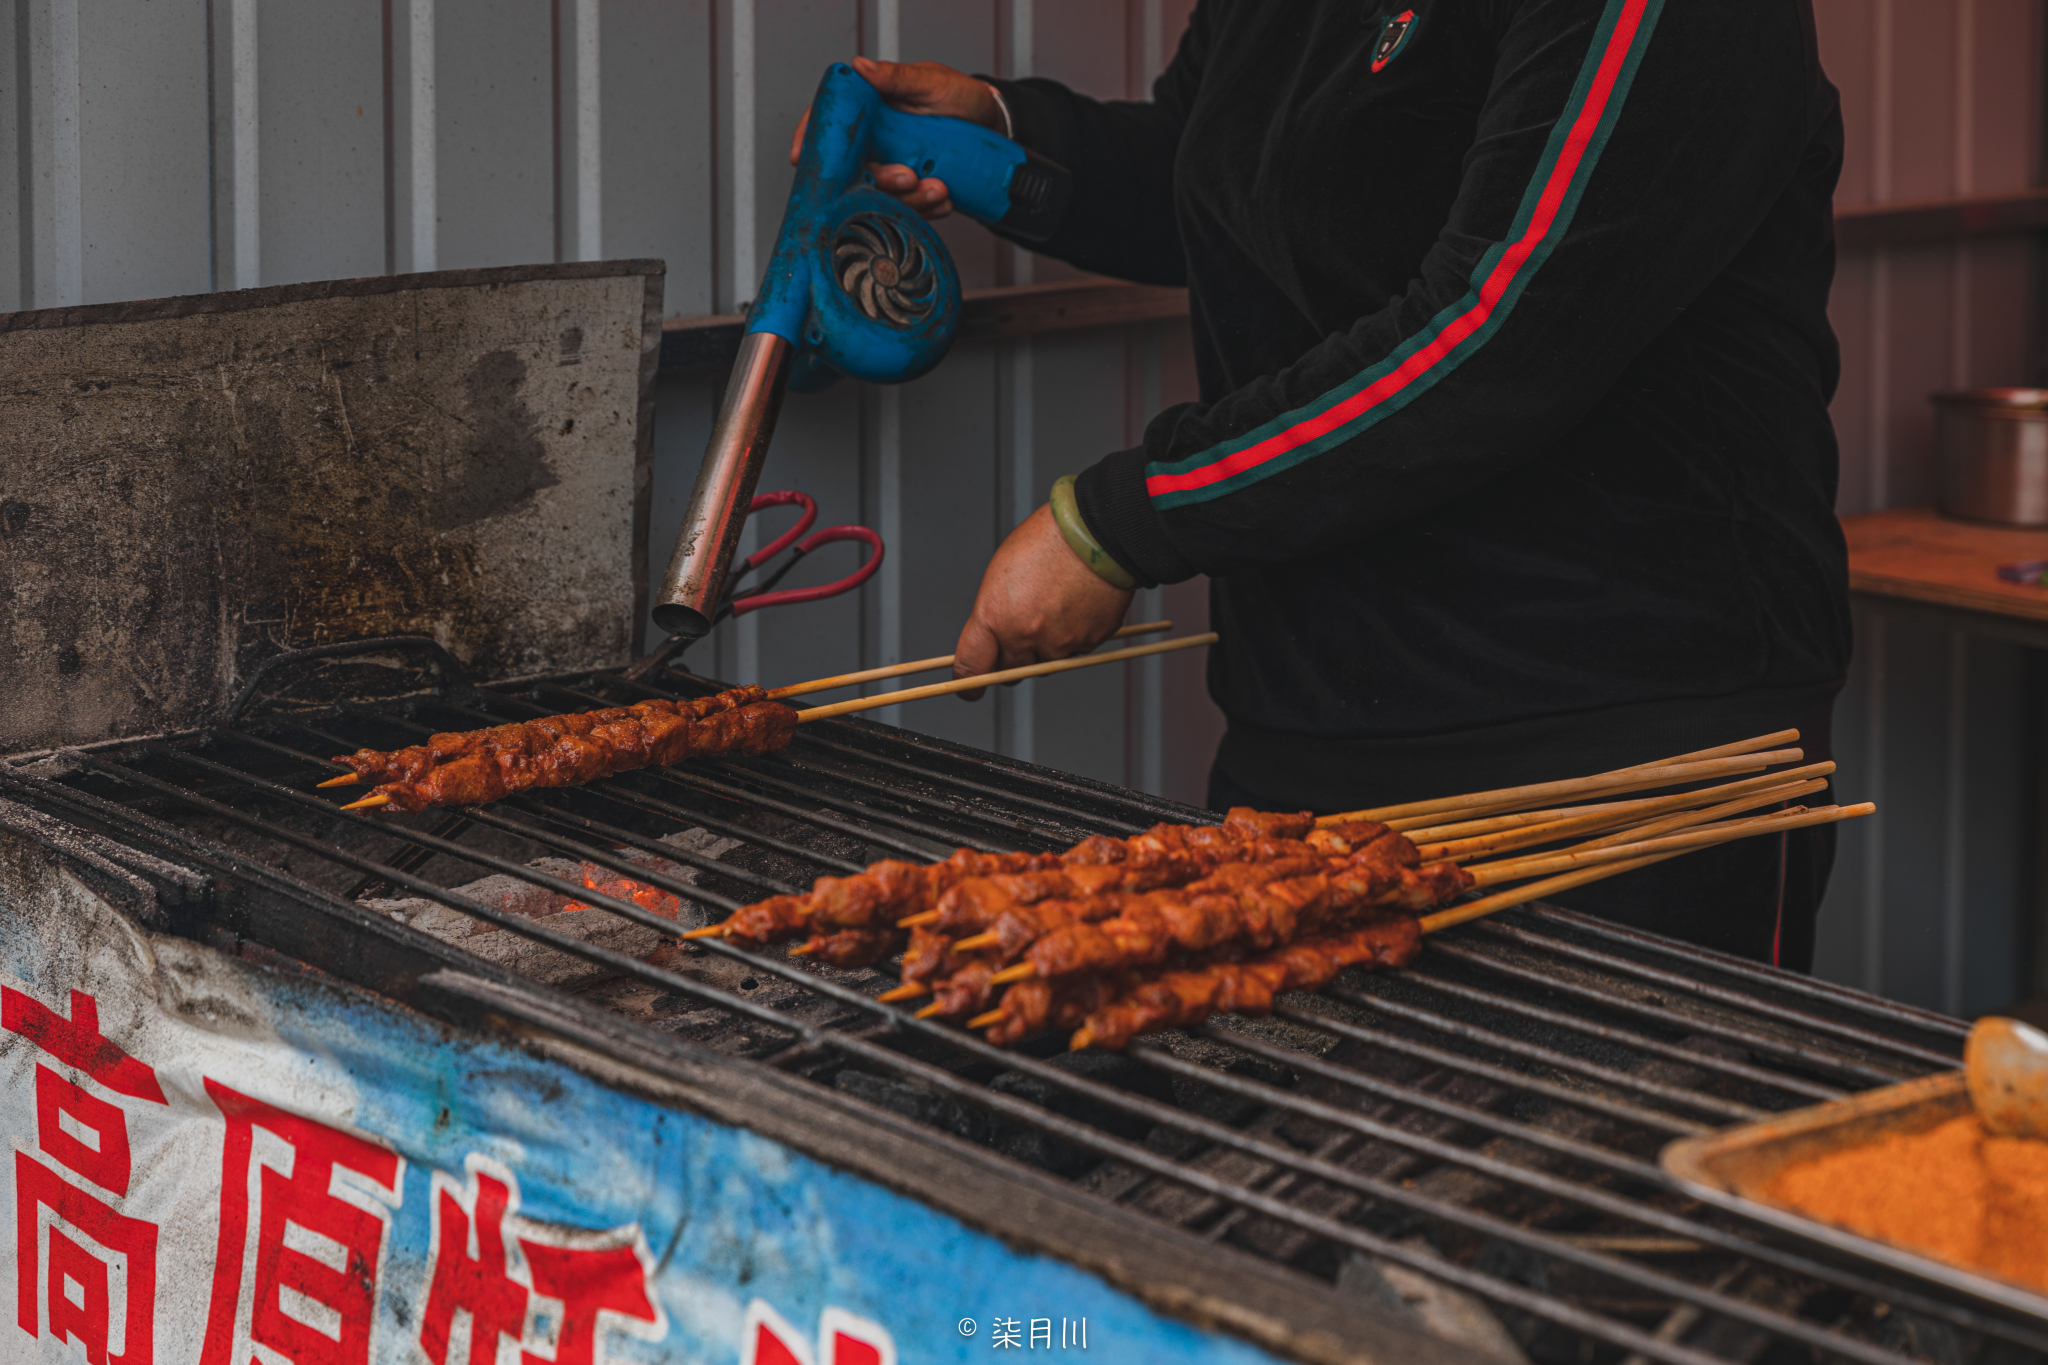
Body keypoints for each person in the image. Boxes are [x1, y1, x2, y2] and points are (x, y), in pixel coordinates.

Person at [806, 0, 1850, 969]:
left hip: (1615, 757)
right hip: (1307, 726)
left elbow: (1501, 332)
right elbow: (1220, 175)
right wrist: (1006, 132)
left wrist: (1129, 519)